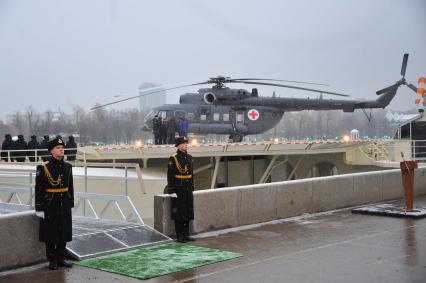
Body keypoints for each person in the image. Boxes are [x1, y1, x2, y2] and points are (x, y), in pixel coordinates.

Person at [35, 137, 74, 270]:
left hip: (64, 204)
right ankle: (52, 259)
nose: (61, 150)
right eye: (58, 148)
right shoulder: (44, 167)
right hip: (50, 204)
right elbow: (39, 189)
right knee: (50, 232)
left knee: (64, 230)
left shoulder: (68, 167)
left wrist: (71, 202)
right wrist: (39, 207)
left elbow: (70, 187)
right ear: (51, 151)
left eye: (62, 148)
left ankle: (61, 257)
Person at [167, 136, 195, 243]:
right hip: (179, 188)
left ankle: (186, 234)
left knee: (188, 211)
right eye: (183, 143)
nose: (185, 145)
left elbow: (191, 174)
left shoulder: (189, 157)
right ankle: (180, 236)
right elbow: (170, 175)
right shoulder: (173, 158)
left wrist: (192, 187)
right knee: (179, 212)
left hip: (187, 188)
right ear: (178, 145)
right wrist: (171, 190)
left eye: (186, 143)